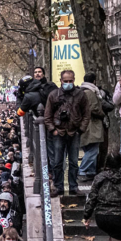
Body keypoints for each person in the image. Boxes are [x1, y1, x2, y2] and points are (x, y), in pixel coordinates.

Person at [44, 69, 90, 197]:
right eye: (66, 81)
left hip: (74, 132)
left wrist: (81, 129)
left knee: (74, 162)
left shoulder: (80, 95)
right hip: (59, 132)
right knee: (58, 161)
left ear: (74, 80)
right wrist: (53, 130)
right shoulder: (54, 95)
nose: (68, 83)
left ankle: (73, 186)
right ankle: (58, 186)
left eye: (70, 81)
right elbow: (47, 115)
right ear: (61, 81)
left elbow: (86, 114)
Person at [78, 72, 107, 183]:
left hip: (86, 124)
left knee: (89, 149)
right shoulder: (90, 92)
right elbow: (93, 108)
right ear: (94, 81)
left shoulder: (82, 91)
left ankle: (90, 172)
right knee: (93, 150)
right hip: (92, 124)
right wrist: (102, 114)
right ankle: (82, 171)